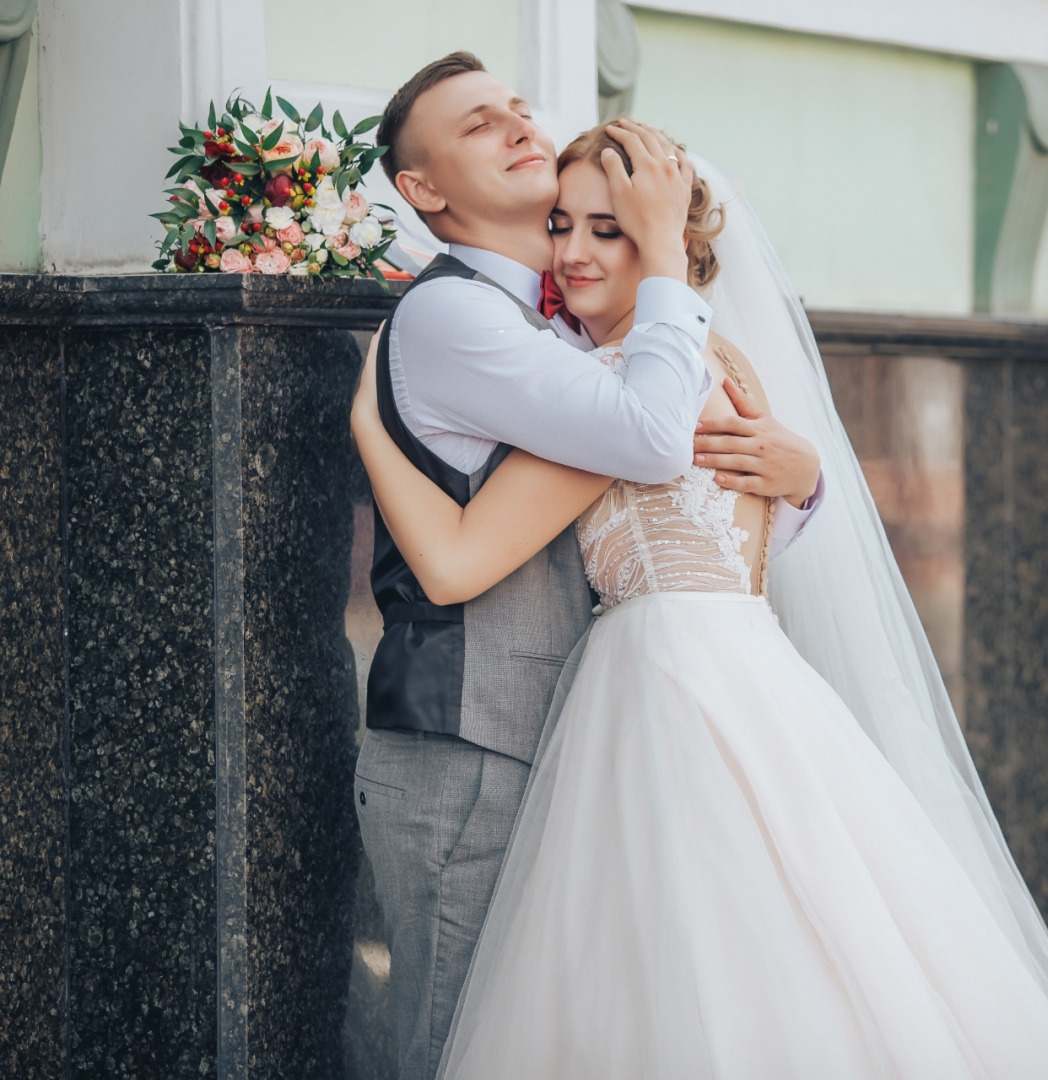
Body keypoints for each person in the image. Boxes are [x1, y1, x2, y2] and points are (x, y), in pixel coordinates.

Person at [350, 121, 1048, 1079]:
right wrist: (805, 483)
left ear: (671, 245)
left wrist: (372, 426)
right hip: (744, 666)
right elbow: (744, 524)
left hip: (668, 690)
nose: (576, 253)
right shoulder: (728, 367)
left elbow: (457, 562)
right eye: (564, 225)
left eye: (613, 230)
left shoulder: (627, 396)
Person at [351, 52, 826, 1080]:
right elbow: (647, 444)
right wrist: (657, 257)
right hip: (475, 740)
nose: (519, 125)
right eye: (480, 126)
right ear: (424, 191)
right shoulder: (462, 316)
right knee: (459, 1044)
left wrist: (805, 475)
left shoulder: (594, 336)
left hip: (622, 713)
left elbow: (703, 512)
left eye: (518, 109)